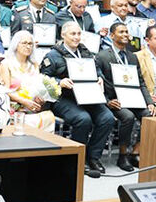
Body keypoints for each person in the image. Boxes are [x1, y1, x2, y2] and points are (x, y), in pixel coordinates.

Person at [40, 21, 117, 174]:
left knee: (107, 118)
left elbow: (96, 70)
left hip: (88, 95)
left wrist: (100, 77)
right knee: (83, 119)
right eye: (72, 34)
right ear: (63, 35)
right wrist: (59, 82)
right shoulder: (52, 55)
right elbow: (43, 78)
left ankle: (93, 156)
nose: (76, 37)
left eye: (79, 34)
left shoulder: (86, 51)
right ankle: (77, 158)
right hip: (65, 98)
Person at [95, 23, 156, 171]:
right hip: (115, 101)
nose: (125, 35)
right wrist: (108, 102)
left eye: (127, 32)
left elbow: (141, 81)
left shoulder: (132, 57)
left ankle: (135, 152)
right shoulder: (102, 56)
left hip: (134, 98)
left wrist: (150, 102)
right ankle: (122, 155)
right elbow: (97, 83)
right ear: (112, 36)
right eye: (121, 32)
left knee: (150, 115)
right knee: (127, 117)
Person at [0, 30, 59, 132]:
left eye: (30, 44)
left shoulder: (34, 65)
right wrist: (23, 101)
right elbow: (4, 91)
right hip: (14, 107)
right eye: (24, 43)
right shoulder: (6, 64)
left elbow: (37, 87)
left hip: (31, 107)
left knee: (49, 117)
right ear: (16, 45)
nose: (28, 47)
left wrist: (40, 99)